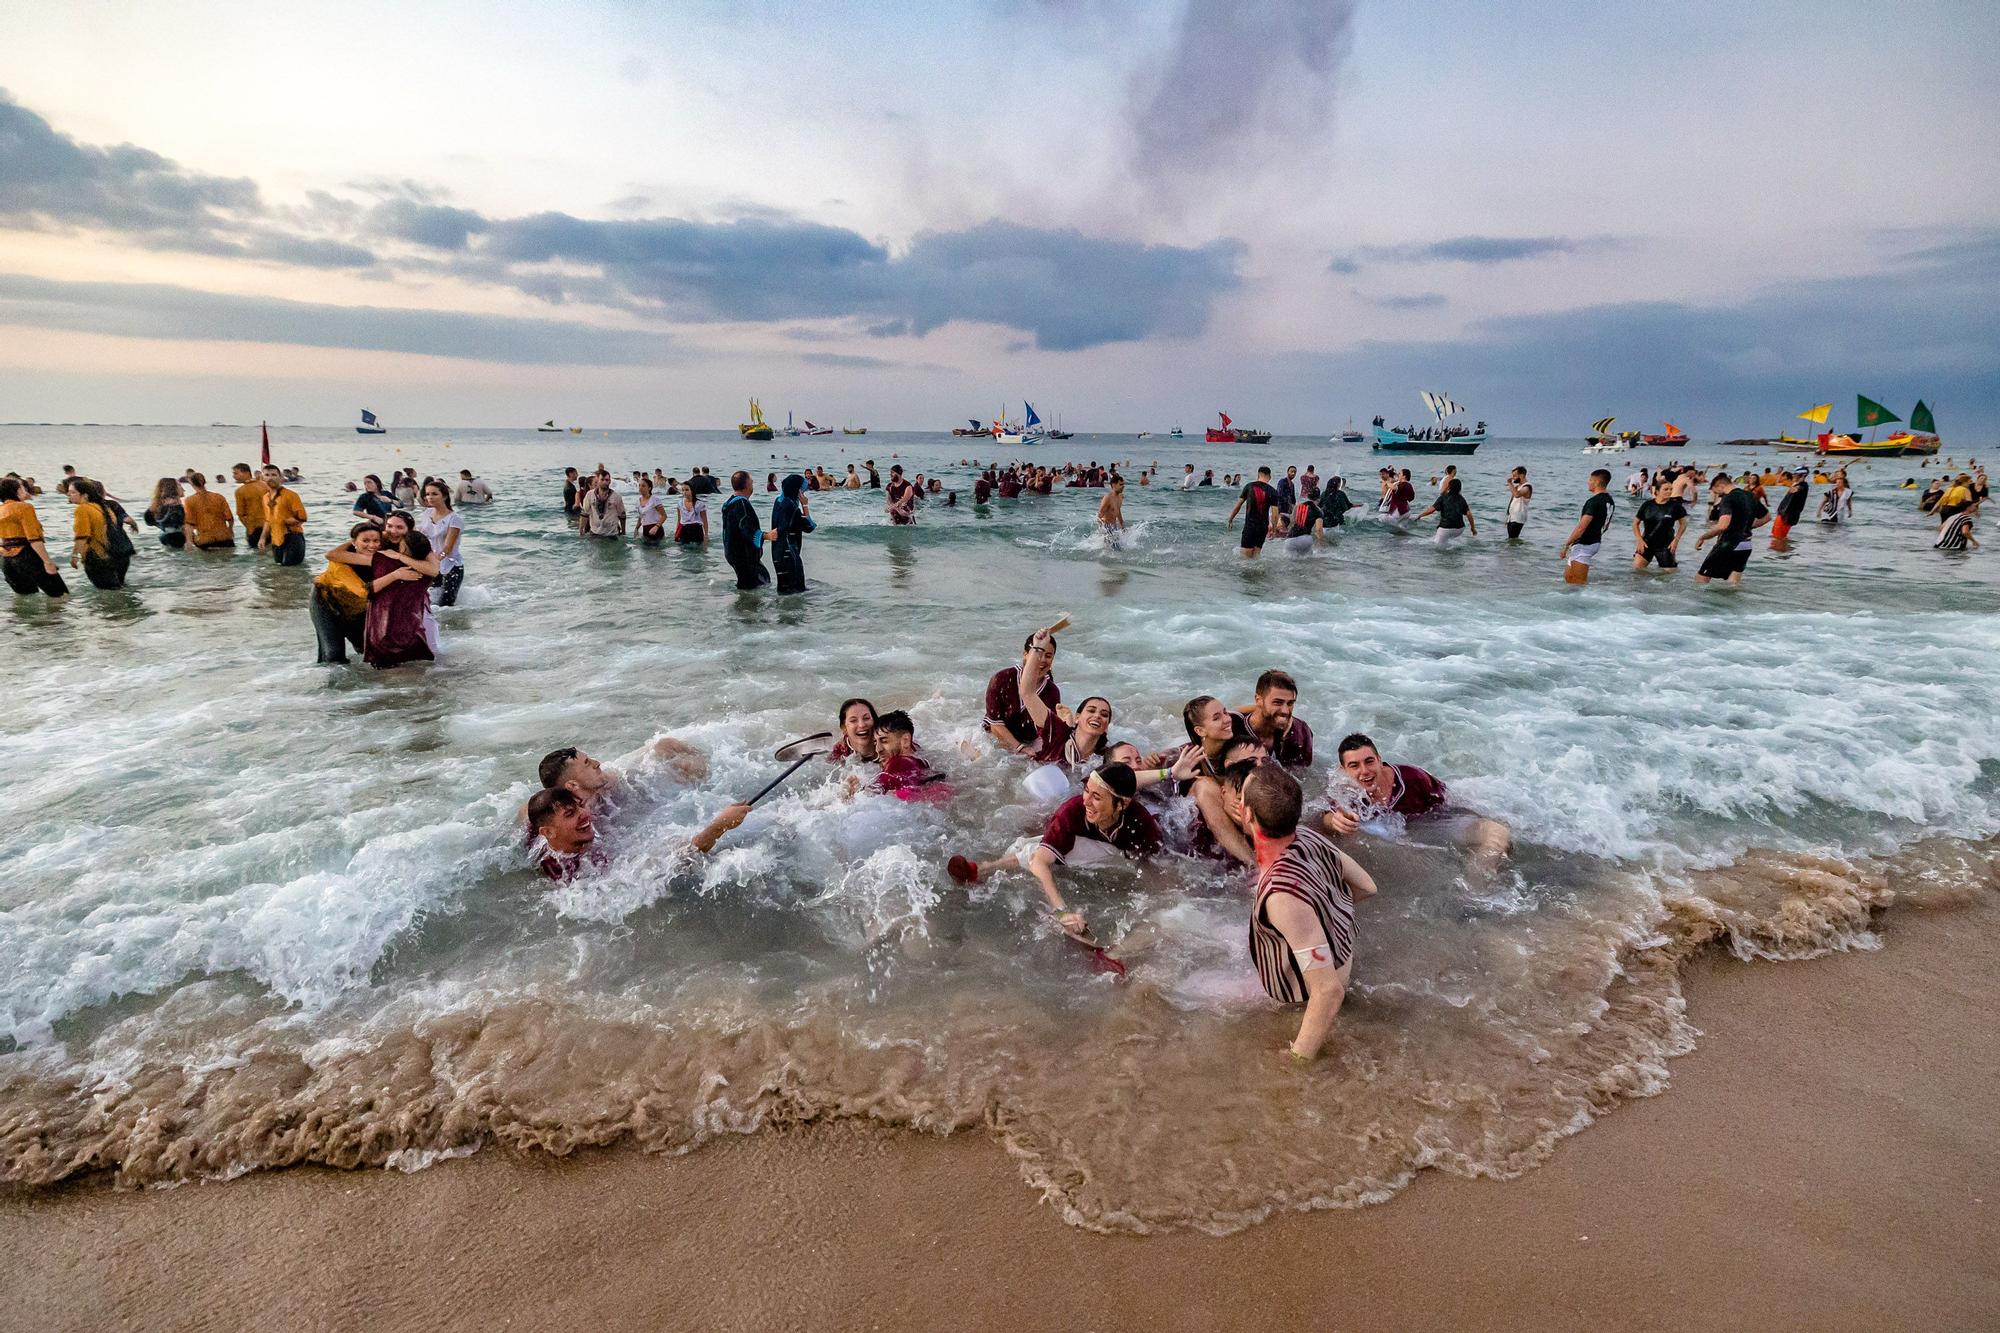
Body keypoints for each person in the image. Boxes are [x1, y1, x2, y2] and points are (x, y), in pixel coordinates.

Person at [1240, 760, 1376, 1064]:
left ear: (1246, 814)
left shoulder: (1281, 896)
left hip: (1303, 1000)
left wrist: (1296, 1063)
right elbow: (1367, 887)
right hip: (1341, 960)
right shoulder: (1307, 836)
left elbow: (1327, 992)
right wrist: (1322, 919)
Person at [946, 763, 1161, 942]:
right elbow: (1040, 862)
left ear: (1122, 804)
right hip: (1089, 850)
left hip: (1118, 859)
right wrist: (1061, 912)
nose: (1086, 800)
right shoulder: (1072, 811)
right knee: (1034, 853)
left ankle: (983, 868)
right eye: (1086, 790)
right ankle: (983, 869)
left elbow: (1158, 866)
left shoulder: (1142, 824)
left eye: (1096, 796)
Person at [1320, 733, 1511, 867]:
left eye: (1369, 761)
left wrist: (1479, 819)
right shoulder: (1344, 789)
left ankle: (1477, 894)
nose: (1364, 771)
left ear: (1379, 760)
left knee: (1497, 833)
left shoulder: (1413, 778)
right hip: (1391, 841)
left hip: (1428, 823)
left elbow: (1451, 804)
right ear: (1344, 771)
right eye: (1354, 765)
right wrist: (1333, 822)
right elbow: (1326, 817)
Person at [527, 786, 750, 882]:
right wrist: (719, 827)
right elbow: (677, 859)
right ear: (547, 832)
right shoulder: (572, 872)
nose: (585, 816)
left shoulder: (544, 839)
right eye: (570, 814)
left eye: (580, 806)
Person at [363, 529, 436, 667]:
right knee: (414, 676)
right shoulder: (426, 573)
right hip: (412, 633)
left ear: (404, 548)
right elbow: (434, 569)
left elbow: (369, 590)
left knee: (390, 679)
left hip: (383, 632)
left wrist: (396, 567)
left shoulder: (384, 560)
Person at [312, 522, 381, 663]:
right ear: (354, 542)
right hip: (325, 602)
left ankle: (366, 684)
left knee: (366, 650)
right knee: (333, 654)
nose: (372, 545)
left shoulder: (382, 557)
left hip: (356, 606)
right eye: (366, 541)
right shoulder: (341, 559)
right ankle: (331, 683)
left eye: (376, 541)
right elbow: (364, 592)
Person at [984, 629, 1063, 753]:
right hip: (992, 740)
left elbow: (1046, 731)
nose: (1042, 660)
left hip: (1028, 743)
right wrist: (1020, 748)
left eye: (1048, 656)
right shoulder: (1001, 679)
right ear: (1025, 654)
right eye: (1037, 653)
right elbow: (995, 725)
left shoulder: (1052, 692)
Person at [1693, 472, 1764, 587]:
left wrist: (1703, 537)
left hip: (1729, 543)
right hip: (1746, 544)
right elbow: (1766, 517)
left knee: (1700, 580)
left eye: (1717, 492)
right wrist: (1747, 526)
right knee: (1733, 584)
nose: (1718, 496)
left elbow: (1723, 526)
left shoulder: (1728, 498)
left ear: (1720, 486)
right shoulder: (1750, 496)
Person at [0, 476, 67, 597]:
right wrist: (47, 562)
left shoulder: (1, 510)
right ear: (17, 491)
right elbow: (34, 539)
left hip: (6, 560)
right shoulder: (24, 507)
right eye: (22, 487)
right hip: (26, 555)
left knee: (25, 597)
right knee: (60, 595)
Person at [1236, 670, 1313, 768]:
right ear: (1258, 700)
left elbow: (1304, 775)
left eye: (1290, 703)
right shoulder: (1233, 728)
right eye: (1277, 702)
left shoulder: (1301, 732)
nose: (1285, 711)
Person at [66, 477, 132, 589]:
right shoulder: (102, 507)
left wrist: (74, 556)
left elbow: (82, 536)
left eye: (73, 492)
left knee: (108, 593)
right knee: (118, 589)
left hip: (96, 557)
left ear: (85, 495)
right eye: (68, 492)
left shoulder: (82, 509)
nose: (69, 495)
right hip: (116, 555)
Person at [870, 710, 949, 800]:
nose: (878, 749)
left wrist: (854, 792)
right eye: (875, 742)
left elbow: (869, 797)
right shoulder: (917, 753)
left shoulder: (896, 764)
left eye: (884, 741)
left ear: (905, 740)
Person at [1559, 468, 1614, 585]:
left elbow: (1581, 528)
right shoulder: (1610, 500)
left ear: (1597, 482)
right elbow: (1606, 525)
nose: (1588, 482)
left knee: (1579, 583)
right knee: (1568, 577)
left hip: (1585, 544)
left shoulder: (1593, 502)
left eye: (1590, 480)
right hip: (1593, 541)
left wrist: (1566, 544)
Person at [417, 480, 465, 606]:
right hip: (432, 564)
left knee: (446, 605)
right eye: (427, 494)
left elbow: (447, 548)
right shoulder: (426, 514)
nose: (430, 497)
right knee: (430, 601)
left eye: (434, 494)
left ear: (444, 496)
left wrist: (434, 561)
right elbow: (419, 537)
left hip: (451, 566)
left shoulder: (454, 519)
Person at [720, 470, 770, 590]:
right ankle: (746, 607)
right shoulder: (741, 504)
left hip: (732, 552)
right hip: (742, 555)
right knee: (753, 586)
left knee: (757, 580)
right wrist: (766, 536)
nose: (752, 485)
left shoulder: (729, 503)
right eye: (751, 482)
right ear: (747, 485)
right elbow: (746, 528)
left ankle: (742, 605)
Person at [1632, 476, 1688, 571]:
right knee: (1636, 573)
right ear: (1657, 491)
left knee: (1668, 577)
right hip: (1646, 543)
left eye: (1671, 489)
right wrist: (1639, 540)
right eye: (1666, 489)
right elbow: (1635, 524)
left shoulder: (1675, 506)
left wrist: (1676, 540)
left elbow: (1683, 524)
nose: (1669, 492)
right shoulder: (1647, 505)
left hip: (1666, 545)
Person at [770, 472, 814, 594]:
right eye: (803, 491)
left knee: (784, 590)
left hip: (778, 552)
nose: (803, 494)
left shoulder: (779, 501)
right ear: (798, 491)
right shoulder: (791, 507)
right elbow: (809, 526)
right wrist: (805, 504)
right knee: (797, 592)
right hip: (789, 554)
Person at [1227, 466, 1282, 558]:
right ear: (1270, 476)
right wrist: (1274, 529)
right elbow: (1275, 514)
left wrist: (1230, 519)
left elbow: (1238, 506)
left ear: (1258, 475)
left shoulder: (1249, 486)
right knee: (1256, 556)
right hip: (1263, 528)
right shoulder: (1273, 491)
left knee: (1245, 558)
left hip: (1250, 526)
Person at [259, 464, 308, 565]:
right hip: (276, 539)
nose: (270, 478)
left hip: (292, 536)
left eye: (273, 475)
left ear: (280, 477)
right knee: (279, 571)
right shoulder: (265, 497)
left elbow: (302, 517)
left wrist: (286, 521)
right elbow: (268, 520)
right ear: (262, 478)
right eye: (267, 475)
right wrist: (263, 538)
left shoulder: (290, 495)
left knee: (291, 571)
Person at [183, 473, 235, 549]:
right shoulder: (219, 497)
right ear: (204, 481)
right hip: (224, 538)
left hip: (205, 540)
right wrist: (230, 530)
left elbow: (189, 523)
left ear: (191, 484)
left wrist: (189, 541)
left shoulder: (190, 501)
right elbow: (230, 518)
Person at [1419, 476, 1475, 546]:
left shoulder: (1443, 497)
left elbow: (1431, 510)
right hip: (1460, 529)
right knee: (1449, 540)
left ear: (1449, 487)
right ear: (1460, 488)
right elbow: (1469, 514)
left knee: (1436, 545)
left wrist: (1420, 516)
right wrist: (1473, 528)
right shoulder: (1462, 499)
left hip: (1445, 528)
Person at [827, 698, 881, 764]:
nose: (862, 725)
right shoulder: (840, 750)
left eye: (866, 718)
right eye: (853, 720)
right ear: (844, 728)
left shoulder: (888, 747)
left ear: (875, 722)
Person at [579, 473, 626, 538]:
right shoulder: (590, 495)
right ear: (598, 481)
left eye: (607, 480)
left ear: (610, 481)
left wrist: (623, 532)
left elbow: (622, 516)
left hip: (611, 534)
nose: (604, 482)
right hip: (595, 533)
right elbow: (584, 514)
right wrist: (581, 530)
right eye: (602, 480)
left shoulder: (616, 497)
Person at [144, 478, 187, 549]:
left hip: (166, 540)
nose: (183, 489)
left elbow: (148, 519)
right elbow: (183, 524)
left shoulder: (159, 505)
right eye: (179, 485)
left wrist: (163, 527)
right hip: (178, 541)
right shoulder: (176, 506)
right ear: (173, 488)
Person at [1770, 470, 1810, 548]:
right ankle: (1781, 551)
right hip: (1783, 513)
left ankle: (1782, 551)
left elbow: (1795, 490)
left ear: (1802, 476)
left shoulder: (1803, 486)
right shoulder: (1797, 485)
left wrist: (1797, 483)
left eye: (1796, 475)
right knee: (1775, 536)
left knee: (1779, 537)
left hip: (1787, 516)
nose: (1793, 476)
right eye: (1794, 474)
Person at [232, 463, 267, 547]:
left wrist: (249, 529)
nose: (234, 476)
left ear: (246, 473)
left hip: (255, 527)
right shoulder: (265, 485)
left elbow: (240, 514)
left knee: (258, 555)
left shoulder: (240, 491)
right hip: (270, 525)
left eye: (236, 473)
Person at [673, 480, 709, 547]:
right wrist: (676, 532)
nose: (684, 492)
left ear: (692, 490)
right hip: (684, 530)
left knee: (699, 551)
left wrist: (706, 535)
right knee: (683, 550)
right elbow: (679, 520)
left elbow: (705, 521)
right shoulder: (680, 503)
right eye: (683, 490)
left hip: (697, 530)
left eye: (687, 490)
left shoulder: (700, 504)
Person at [634, 477, 667, 545]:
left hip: (656, 530)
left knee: (656, 553)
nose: (640, 487)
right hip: (645, 530)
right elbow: (640, 517)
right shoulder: (638, 501)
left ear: (649, 488)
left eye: (643, 486)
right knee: (645, 553)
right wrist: (636, 528)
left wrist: (656, 527)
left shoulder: (655, 500)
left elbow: (664, 516)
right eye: (639, 485)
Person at [1505, 467, 1532, 541]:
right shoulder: (1517, 487)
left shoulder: (1527, 487)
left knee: (1512, 539)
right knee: (1511, 539)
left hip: (1519, 517)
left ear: (1522, 475)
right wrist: (1508, 516)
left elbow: (1517, 495)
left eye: (1514, 475)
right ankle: (1514, 552)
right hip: (1512, 517)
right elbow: (1511, 501)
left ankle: (1513, 552)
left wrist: (1510, 483)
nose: (1513, 478)